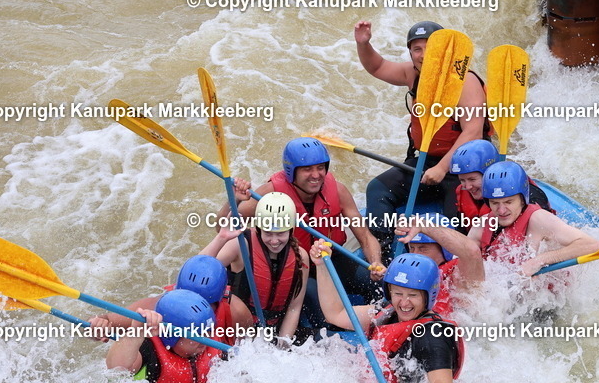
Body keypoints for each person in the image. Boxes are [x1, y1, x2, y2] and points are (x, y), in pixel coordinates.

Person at [354, 19, 490, 260]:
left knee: (457, 221)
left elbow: (473, 132)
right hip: (426, 161)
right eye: (417, 49)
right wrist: (364, 44)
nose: (424, 55)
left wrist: (442, 168)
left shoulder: (465, 81)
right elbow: (378, 67)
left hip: (464, 167)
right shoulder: (413, 74)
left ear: (444, 51)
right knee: (378, 189)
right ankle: (384, 257)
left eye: (430, 47)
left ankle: (453, 268)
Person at [310, 243, 464, 383]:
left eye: (413, 295)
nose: (404, 303)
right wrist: (322, 266)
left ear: (428, 296)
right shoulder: (387, 311)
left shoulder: (433, 336)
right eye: (398, 293)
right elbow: (336, 314)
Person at [224, 137, 385, 306]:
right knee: (318, 304)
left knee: (376, 284)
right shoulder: (269, 194)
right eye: (307, 169)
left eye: (321, 168)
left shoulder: (338, 190)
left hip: (329, 258)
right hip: (295, 264)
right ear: (291, 171)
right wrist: (234, 200)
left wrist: (375, 262)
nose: (316, 175)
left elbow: (365, 236)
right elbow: (224, 226)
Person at [202, 192, 308, 344]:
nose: (274, 240)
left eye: (281, 233)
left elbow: (293, 308)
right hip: (237, 328)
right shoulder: (241, 245)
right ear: (258, 228)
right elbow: (197, 269)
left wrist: (282, 348)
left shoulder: (301, 257)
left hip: (274, 329)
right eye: (268, 233)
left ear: (291, 230)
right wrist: (221, 238)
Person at [470, 161, 599, 276]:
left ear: (523, 200)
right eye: (495, 203)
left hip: (550, 299)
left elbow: (592, 245)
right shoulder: (481, 225)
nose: (502, 210)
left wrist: (539, 261)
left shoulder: (539, 219)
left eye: (509, 202)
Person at [89, 255, 251, 346]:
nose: (192, 306)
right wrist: (98, 327)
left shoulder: (237, 312)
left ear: (221, 299)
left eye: (204, 303)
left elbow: (246, 354)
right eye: (186, 299)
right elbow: (104, 322)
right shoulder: (155, 307)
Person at [394, 214, 484, 317]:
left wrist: (423, 227)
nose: (416, 255)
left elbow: (472, 252)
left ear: (445, 250)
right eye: (412, 248)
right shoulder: (405, 274)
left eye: (423, 249)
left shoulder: (459, 276)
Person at [449, 140, 552, 226]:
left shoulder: (529, 196)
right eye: (462, 180)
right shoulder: (462, 191)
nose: (467, 187)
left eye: (472, 179)